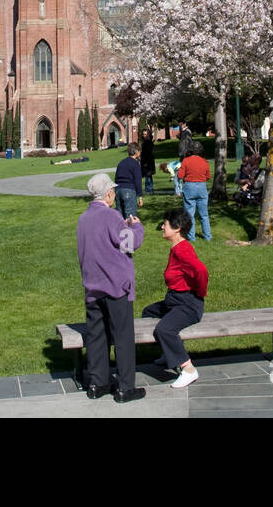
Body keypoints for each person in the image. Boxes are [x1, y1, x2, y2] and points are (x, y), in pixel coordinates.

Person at [76, 172, 146, 402]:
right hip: (115, 286)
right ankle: (126, 387)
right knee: (123, 336)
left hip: (92, 286)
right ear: (108, 194)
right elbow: (128, 244)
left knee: (97, 335)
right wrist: (136, 227)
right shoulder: (112, 216)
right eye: (113, 191)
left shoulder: (83, 219)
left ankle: (98, 383)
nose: (114, 194)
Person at [142, 208, 209, 389]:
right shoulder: (177, 247)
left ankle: (188, 370)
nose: (162, 226)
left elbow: (201, 271)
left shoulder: (182, 250)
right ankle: (169, 352)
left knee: (164, 330)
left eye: (165, 223)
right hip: (175, 300)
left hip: (187, 304)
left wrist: (199, 293)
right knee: (148, 312)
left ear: (177, 227)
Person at [178, 144, 212, 242]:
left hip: (189, 187)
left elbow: (180, 175)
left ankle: (191, 237)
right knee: (204, 214)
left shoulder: (186, 161)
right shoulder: (204, 161)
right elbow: (208, 176)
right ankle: (207, 236)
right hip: (202, 187)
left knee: (189, 214)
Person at [114, 142, 143, 219]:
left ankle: (120, 231)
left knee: (120, 218)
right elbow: (138, 181)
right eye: (139, 151)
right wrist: (140, 196)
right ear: (136, 152)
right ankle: (129, 231)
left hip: (118, 190)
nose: (140, 153)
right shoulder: (135, 164)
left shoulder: (121, 163)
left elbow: (116, 178)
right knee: (130, 218)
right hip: (129, 191)